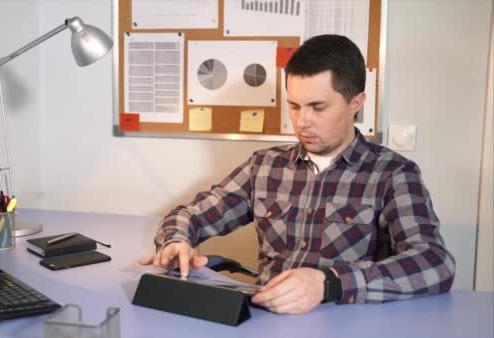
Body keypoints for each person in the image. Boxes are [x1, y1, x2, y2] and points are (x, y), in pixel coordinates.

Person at [139, 34, 455, 314]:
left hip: (343, 322)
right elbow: (190, 215)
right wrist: (176, 241)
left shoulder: (393, 174)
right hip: (264, 320)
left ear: (355, 103)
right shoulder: (265, 165)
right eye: (294, 106)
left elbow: (434, 263)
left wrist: (329, 284)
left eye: (318, 107)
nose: (301, 121)